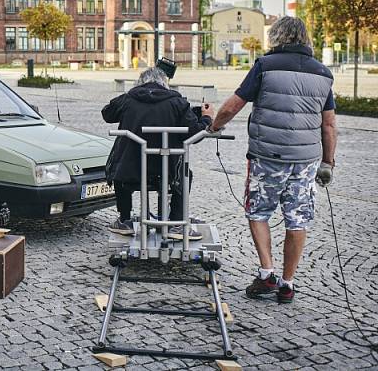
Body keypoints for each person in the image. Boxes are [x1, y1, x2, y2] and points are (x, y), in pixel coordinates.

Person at [209, 17, 336, 304]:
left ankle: (267, 273)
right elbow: (328, 125)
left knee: (258, 212)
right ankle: (287, 283)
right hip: (305, 161)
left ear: (276, 37)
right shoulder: (323, 74)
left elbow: (233, 105)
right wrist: (328, 163)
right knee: (298, 219)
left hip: (267, 158)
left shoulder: (265, 66)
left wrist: (214, 126)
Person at [102, 67, 215, 240]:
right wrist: (206, 117)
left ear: (141, 82)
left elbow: (107, 114)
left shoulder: (128, 99)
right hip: (167, 172)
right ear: (165, 83)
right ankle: (176, 223)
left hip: (129, 172)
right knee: (185, 173)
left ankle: (125, 220)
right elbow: (194, 134)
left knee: (119, 163)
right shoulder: (177, 103)